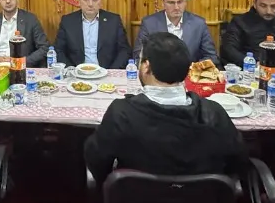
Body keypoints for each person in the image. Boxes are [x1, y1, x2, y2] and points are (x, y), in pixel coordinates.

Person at [84, 32, 247, 183]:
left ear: (146, 66)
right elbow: (237, 162)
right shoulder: (215, 113)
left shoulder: (121, 113)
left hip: (135, 202)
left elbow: (97, 162)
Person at [134, 0, 219, 65]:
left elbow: (211, 56)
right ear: (163, 3)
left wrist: (194, 68)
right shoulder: (149, 23)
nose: (176, 7)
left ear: (185, 2)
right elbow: (139, 57)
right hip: (159, 73)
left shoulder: (199, 24)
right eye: (171, 3)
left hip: (190, 72)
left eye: (180, 2)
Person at [52, 0, 131, 68]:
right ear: (79, 1)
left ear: (100, 1)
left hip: (106, 71)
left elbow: (124, 50)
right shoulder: (68, 21)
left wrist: (111, 71)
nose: (90, 4)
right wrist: (71, 70)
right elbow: (58, 50)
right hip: (76, 72)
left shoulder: (114, 21)